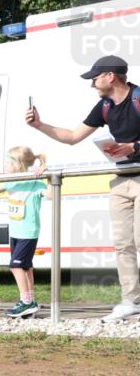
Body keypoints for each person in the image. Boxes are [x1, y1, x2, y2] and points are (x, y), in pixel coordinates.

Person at [26, 54, 140, 323]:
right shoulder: (103, 106)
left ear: (111, 76)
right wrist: (39, 125)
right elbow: (72, 137)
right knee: (123, 244)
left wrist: (135, 147)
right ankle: (132, 301)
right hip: (121, 178)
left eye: (95, 78)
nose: (92, 84)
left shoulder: (138, 99)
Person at [0, 146, 52, 318]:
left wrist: (49, 176)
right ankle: (31, 302)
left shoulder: (35, 183)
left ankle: (26, 302)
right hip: (15, 232)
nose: (5, 165)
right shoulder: (11, 182)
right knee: (26, 267)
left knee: (16, 266)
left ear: (19, 164)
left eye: (8, 162)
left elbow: (50, 194)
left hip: (28, 232)